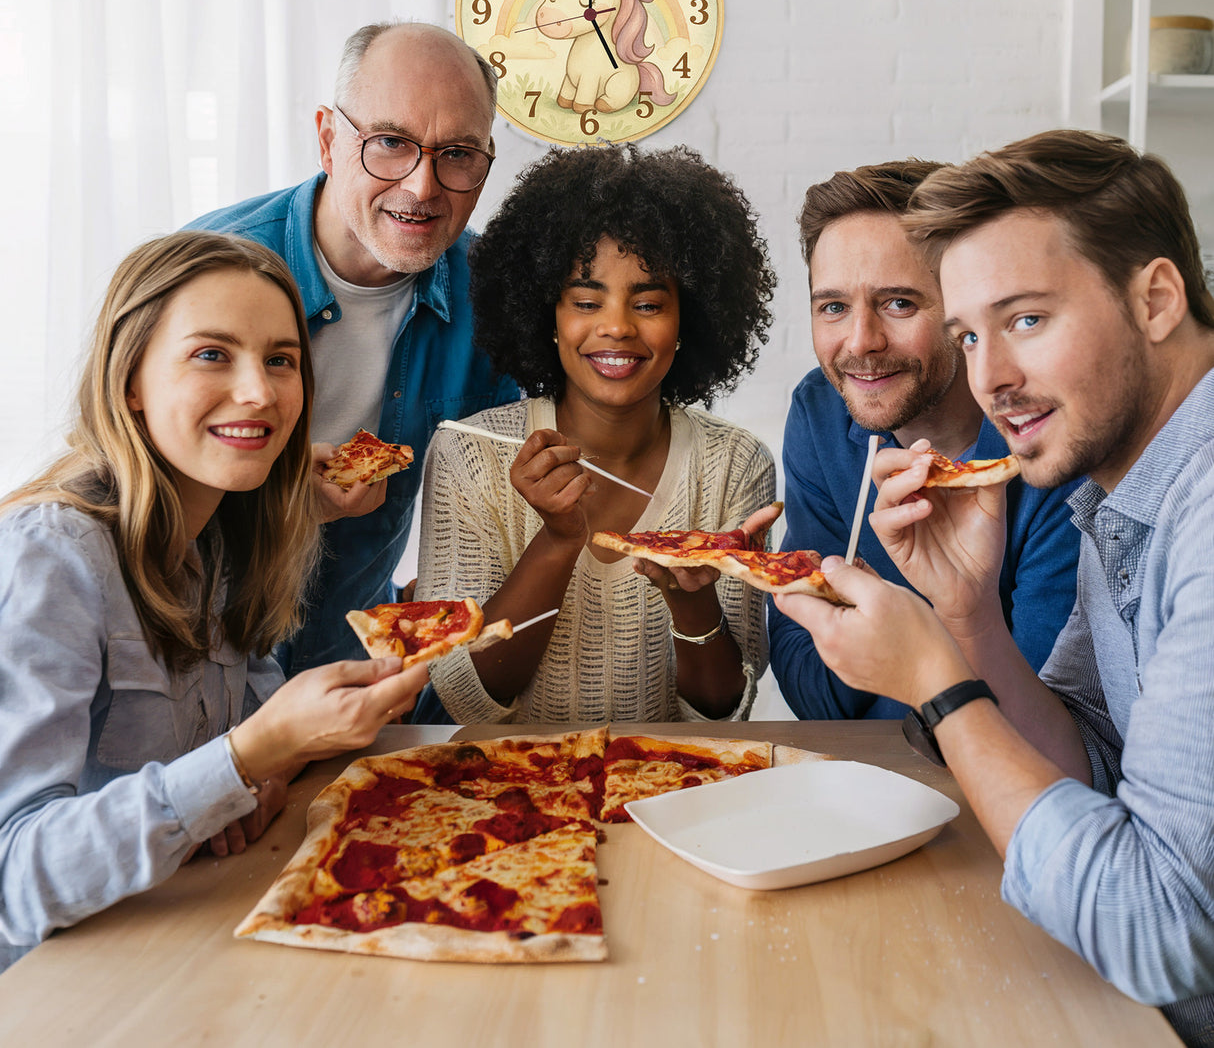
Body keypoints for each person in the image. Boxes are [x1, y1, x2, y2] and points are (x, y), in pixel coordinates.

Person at [776, 131, 1214, 1046]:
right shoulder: (1119, 483)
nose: (991, 379)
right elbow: (1088, 763)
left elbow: (1159, 931)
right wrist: (970, 617)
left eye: (1024, 320)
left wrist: (941, 681)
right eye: (971, 334)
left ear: (1157, 299)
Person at [0, 232, 428, 971]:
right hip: (58, 988)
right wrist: (253, 754)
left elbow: (242, 731)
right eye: (211, 354)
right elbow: (12, 879)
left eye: (280, 360)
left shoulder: (224, 528)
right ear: (130, 379)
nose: (260, 392)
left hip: (180, 937)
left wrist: (253, 778)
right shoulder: (50, 554)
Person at [189, 22, 518, 677]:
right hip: (191, 672)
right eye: (391, 143)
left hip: (354, 676)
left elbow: (499, 507)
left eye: (457, 153)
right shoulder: (201, 271)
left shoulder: (498, 300)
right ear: (327, 138)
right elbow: (119, 496)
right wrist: (280, 497)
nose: (423, 187)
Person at [414, 144, 780, 724]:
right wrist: (558, 539)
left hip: (674, 796)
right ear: (547, 317)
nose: (616, 326)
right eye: (586, 301)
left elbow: (723, 712)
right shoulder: (470, 452)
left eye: (650, 303)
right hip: (508, 798)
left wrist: (692, 601)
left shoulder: (736, 463)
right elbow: (467, 698)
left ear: (690, 320)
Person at [768, 159, 1080, 719]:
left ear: (961, 312)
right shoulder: (819, 411)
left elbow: (1044, 716)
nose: (861, 342)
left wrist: (888, 636)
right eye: (834, 307)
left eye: (899, 303)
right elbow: (807, 687)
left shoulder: (1049, 444)